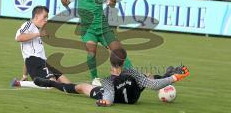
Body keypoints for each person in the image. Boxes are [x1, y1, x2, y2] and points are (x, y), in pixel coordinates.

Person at [34, 48, 190, 107]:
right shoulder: (132, 73)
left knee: (80, 87)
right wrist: (174, 78)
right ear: (124, 63)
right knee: (147, 77)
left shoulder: (108, 80)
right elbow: (153, 85)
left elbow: (108, 99)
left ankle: (51, 83)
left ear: (111, 65)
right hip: (134, 97)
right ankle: (167, 74)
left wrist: (105, 102)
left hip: (119, 96)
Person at [58, 0, 132, 85]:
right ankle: (95, 78)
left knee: (118, 51)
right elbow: (65, 2)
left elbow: (112, 4)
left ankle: (133, 73)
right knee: (91, 50)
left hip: (103, 27)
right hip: (88, 29)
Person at [11, 6, 70, 88]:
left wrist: (24, 75)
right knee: (51, 84)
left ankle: (83, 89)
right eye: (44, 17)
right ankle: (19, 83)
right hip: (36, 63)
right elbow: (19, 38)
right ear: (36, 16)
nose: (46, 20)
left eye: (47, 17)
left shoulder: (37, 30)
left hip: (44, 63)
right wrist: (39, 34)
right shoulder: (29, 25)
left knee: (68, 84)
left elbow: (28, 55)